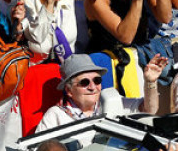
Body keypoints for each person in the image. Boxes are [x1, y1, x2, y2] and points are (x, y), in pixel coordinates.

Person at [36, 53, 168, 132]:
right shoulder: (55, 115)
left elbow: (149, 109)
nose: (93, 87)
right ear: (69, 91)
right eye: (84, 82)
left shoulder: (110, 101)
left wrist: (150, 82)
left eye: (97, 80)